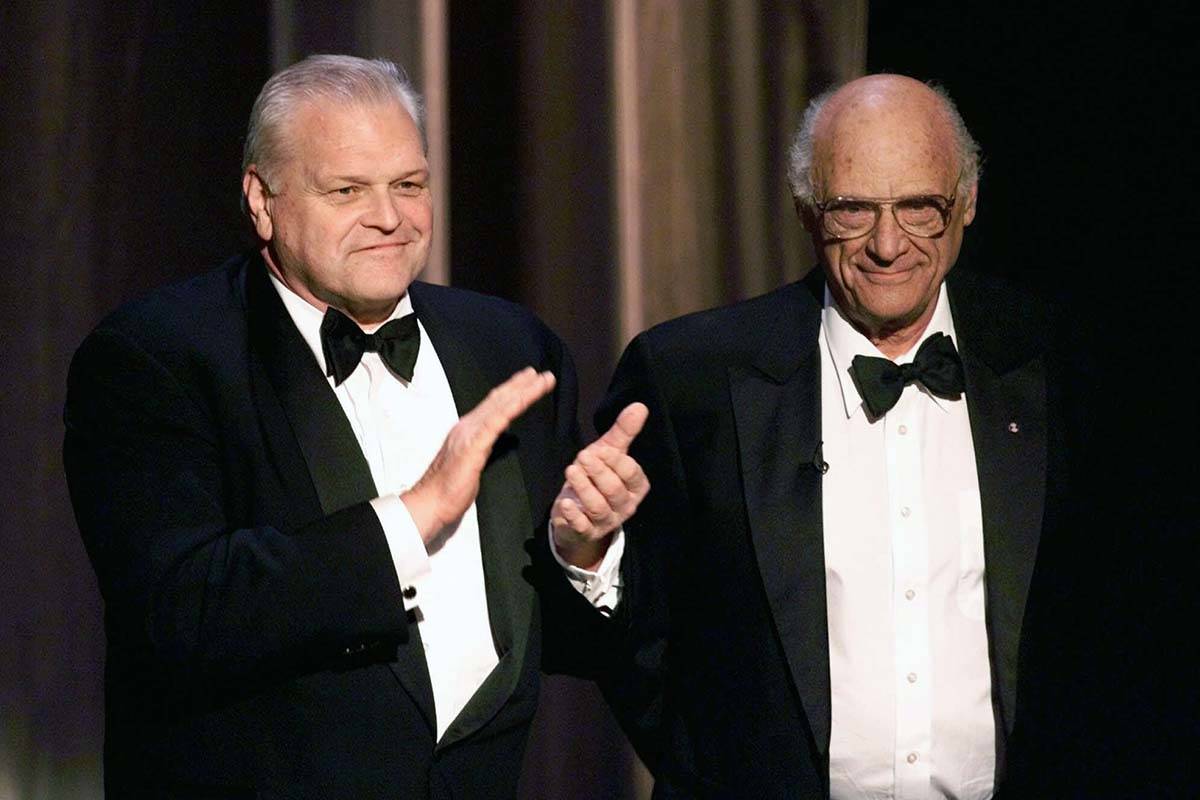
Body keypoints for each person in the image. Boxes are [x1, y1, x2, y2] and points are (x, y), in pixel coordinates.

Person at [64, 54, 643, 799]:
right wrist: (411, 518)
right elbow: (182, 614)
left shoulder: (510, 346)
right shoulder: (157, 356)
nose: (391, 218)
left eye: (409, 184)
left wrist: (583, 552)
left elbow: (556, 641)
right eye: (348, 190)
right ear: (262, 201)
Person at [584, 74, 1069, 798]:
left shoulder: (1057, 367)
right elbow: (637, 644)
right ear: (808, 212)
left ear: (965, 204)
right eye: (852, 210)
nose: (885, 244)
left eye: (918, 208)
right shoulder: (690, 379)